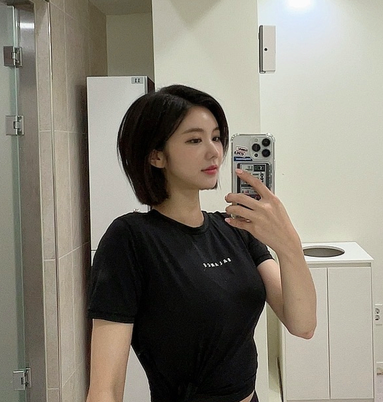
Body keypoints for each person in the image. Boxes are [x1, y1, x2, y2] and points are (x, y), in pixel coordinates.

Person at [86, 84, 316, 402]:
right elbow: (105, 388)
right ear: (156, 155)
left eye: (216, 137)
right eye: (195, 140)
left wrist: (288, 244)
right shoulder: (130, 239)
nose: (214, 152)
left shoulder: (235, 229)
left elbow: (302, 324)